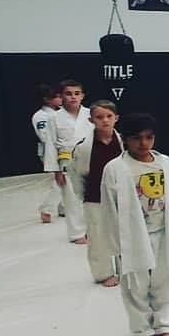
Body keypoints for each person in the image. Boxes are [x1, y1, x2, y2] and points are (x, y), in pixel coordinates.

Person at [100, 113, 169, 336]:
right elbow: (108, 207)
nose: (143, 143)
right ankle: (142, 330)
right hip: (133, 235)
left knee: (164, 281)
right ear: (124, 139)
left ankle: (163, 324)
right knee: (136, 284)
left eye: (148, 137)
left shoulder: (165, 162)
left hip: (164, 231)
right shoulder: (116, 168)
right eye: (136, 138)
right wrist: (115, 244)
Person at [67, 99, 122, 285]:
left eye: (109, 116)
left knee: (126, 233)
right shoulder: (83, 147)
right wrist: (83, 195)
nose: (105, 121)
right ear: (91, 121)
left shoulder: (124, 143)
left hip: (122, 196)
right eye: (99, 117)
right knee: (98, 237)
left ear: (116, 118)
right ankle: (103, 273)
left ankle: (127, 269)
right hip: (94, 197)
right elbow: (76, 174)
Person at [49, 79, 93, 245]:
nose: (73, 97)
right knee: (71, 199)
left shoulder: (91, 114)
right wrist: (56, 171)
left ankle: (93, 229)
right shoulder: (54, 118)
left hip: (89, 157)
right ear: (61, 96)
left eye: (77, 93)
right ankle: (77, 233)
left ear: (82, 95)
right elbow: (51, 144)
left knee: (92, 198)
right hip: (66, 160)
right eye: (68, 94)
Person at [31, 83, 63, 224]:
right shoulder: (41, 116)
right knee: (61, 181)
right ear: (46, 99)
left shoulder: (61, 112)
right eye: (56, 96)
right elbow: (45, 136)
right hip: (51, 151)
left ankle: (63, 207)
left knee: (69, 181)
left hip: (65, 150)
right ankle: (46, 209)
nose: (60, 98)